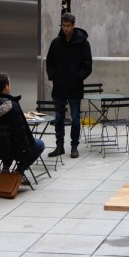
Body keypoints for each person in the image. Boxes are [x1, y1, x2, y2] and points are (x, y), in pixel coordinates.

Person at [0, 72, 44, 175]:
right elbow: (20, 133)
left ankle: (5, 168)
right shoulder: (12, 106)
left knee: (6, 141)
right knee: (40, 144)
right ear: (6, 86)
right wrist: (27, 150)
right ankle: (18, 171)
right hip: (13, 149)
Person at [45, 12, 92, 158]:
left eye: (68, 26)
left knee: (75, 118)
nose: (65, 28)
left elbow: (88, 65)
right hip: (59, 86)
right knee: (58, 117)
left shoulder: (82, 43)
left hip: (74, 86)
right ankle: (59, 145)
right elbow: (49, 61)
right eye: (63, 25)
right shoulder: (56, 43)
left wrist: (78, 77)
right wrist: (53, 76)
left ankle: (74, 146)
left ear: (73, 25)